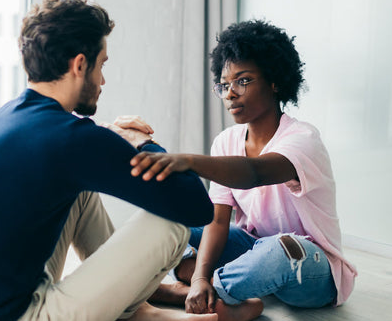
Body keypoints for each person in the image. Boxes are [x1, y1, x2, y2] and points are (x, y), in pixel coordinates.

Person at [0, 0, 263, 321]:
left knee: (79, 196)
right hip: (22, 315)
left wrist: (105, 139)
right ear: (80, 64)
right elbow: (195, 206)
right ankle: (138, 311)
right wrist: (137, 140)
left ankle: (142, 312)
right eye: (101, 64)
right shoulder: (70, 138)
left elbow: (72, 149)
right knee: (172, 222)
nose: (103, 80)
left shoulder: (3, 120)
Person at [131, 20, 358, 315]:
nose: (230, 93)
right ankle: (200, 289)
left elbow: (254, 173)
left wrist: (188, 161)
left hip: (311, 266)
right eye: (224, 85)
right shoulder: (226, 141)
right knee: (175, 221)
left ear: (274, 81)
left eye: (244, 80)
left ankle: (202, 293)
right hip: (252, 246)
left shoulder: (304, 139)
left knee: (279, 250)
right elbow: (218, 219)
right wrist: (200, 276)